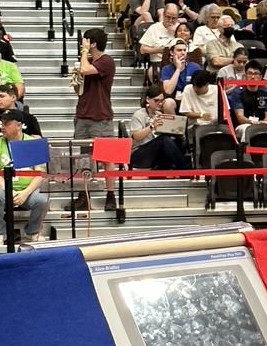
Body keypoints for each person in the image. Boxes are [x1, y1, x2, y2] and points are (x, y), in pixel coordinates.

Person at [71, 27, 118, 212]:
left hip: (100, 115)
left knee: (107, 157)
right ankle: (84, 194)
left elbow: (85, 69)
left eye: (85, 42)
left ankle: (110, 194)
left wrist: (84, 52)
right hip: (83, 114)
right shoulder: (88, 61)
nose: (81, 45)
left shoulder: (106, 61)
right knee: (83, 158)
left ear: (93, 44)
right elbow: (80, 86)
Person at [0, 110, 49, 244]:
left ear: (19, 126)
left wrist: (25, 193)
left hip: (29, 188)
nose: (2, 127)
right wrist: (10, 191)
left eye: (7, 124)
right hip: (3, 187)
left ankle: (32, 231)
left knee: (42, 200)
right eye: (2, 123)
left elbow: (40, 174)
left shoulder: (34, 143)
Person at [129, 87, 186, 170]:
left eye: (162, 101)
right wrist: (152, 126)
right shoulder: (139, 114)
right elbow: (136, 136)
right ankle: (183, 169)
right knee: (164, 140)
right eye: (157, 100)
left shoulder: (159, 114)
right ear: (148, 99)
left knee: (181, 143)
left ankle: (163, 169)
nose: (160, 103)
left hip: (155, 151)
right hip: (139, 153)